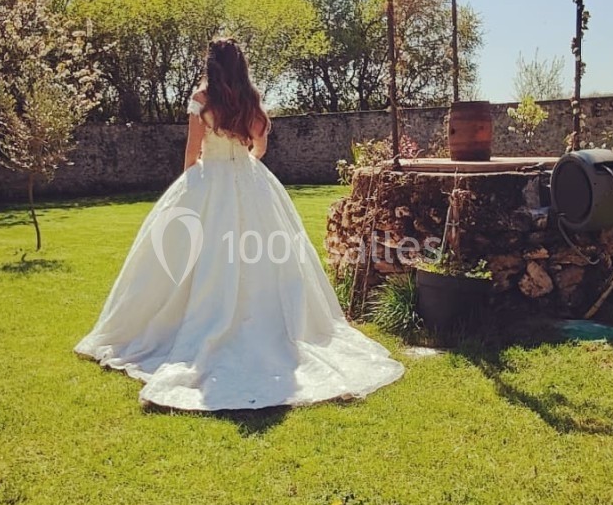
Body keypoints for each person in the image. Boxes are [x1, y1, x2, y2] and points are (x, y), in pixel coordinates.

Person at [74, 36, 405, 411]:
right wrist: (243, 156)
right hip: (251, 182)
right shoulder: (252, 98)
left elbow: (192, 149)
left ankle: (190, 320)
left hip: (209, 178)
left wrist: (188, 188)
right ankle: (266, 324)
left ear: (211, 64)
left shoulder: (202, 99)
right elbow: (259, 148)